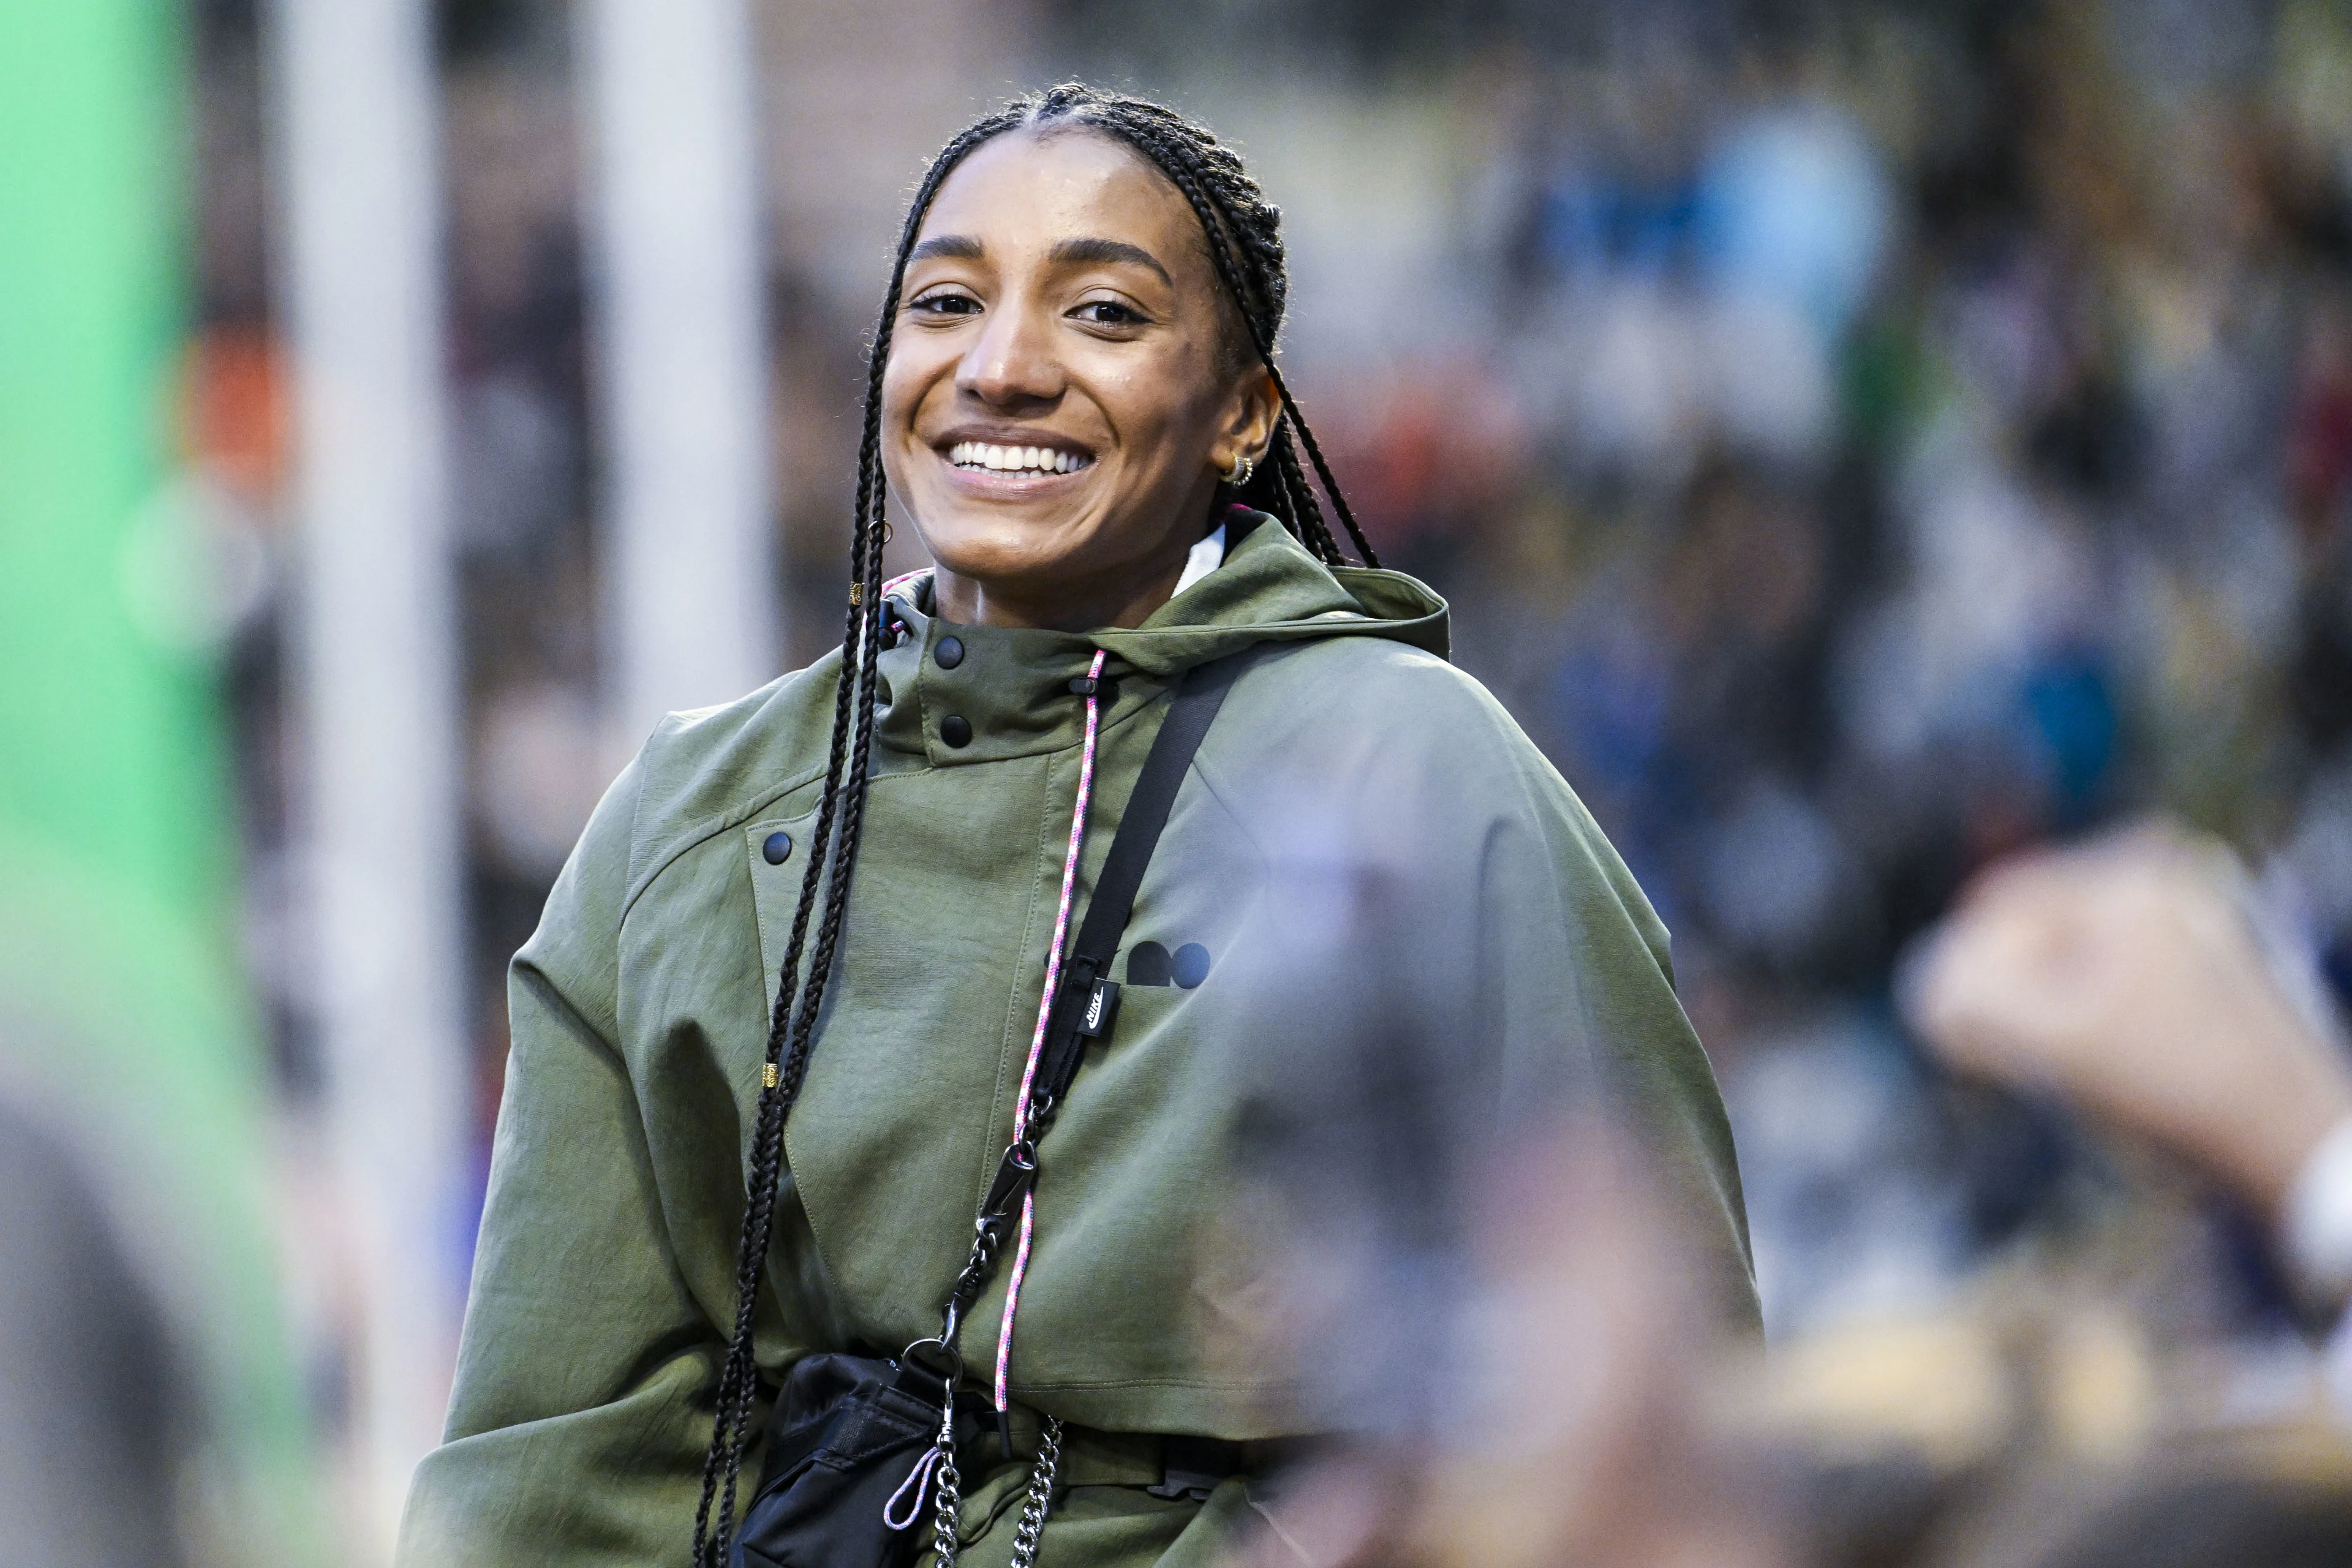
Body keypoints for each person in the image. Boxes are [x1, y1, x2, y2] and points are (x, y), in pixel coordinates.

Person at [396, 84, 1753, 1568]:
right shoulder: (700, 819)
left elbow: (1653, 1411)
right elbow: (550, 1476)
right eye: (946, 301)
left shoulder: (1424, 778)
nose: (1002, 365)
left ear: (1243, 411)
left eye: (1102, 311)